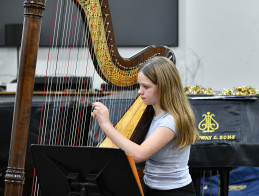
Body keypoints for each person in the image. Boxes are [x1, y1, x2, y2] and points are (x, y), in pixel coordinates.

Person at [91, 56, 199, 196]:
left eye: (146, 87)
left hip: (174, 192)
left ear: (164, 88)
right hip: (151, 188)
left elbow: (139, 154)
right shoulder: (151, 112)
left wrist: (106, 125)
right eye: (139, 85)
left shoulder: (171, 120)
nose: (139, 91)